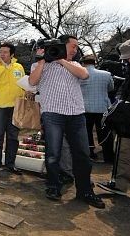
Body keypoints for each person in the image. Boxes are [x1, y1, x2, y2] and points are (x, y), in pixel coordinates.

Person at [29, 35, 105, 209]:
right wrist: (43, 59)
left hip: (76, 115)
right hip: (52, 115)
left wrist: (61, 59)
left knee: (83, 155)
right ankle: (54, 186)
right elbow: (33, 81)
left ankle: (85, 190)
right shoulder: (40, 65)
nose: (75, 49)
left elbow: (84, 75)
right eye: (73, 46)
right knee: (53, 154)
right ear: (62, 45)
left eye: (77, 47)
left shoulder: (76, 64)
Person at [99, 39, 130, 195]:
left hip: (129, 123)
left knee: (124, 151)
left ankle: (119, 184)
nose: (126, 62)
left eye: (128, 58)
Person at [0, 42, 25, 174]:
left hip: (16, 106)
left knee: (13, 136)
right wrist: (3, 66)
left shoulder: (18, 66)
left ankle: (10, 163)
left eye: (5, 52)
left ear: (12, 54)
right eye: (0, 52)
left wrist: (25, 94)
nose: (2, 54)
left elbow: (22, 83)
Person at [79, 54, 114, 162]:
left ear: (83, 63)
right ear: (95, 63)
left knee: (87, 132)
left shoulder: (79, 75)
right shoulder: (106, 74)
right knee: (104, 132)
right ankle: (108, 155)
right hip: (102, 107)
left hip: (85, 107)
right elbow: (111, 88)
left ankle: (90, 153)